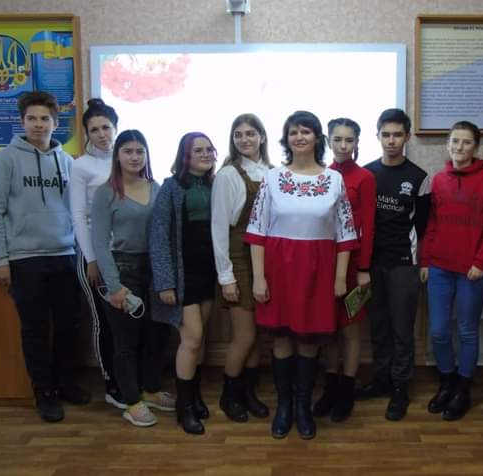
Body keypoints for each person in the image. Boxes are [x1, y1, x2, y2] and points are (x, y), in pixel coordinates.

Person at [246, 110, 357, 440]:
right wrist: (258, 277)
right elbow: (257, 231)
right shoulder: (272, 178)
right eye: (293, 132)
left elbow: (346, 233)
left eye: (306, 131)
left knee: (309, 341)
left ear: (317, 138)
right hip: (278, 271)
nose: (299, 137)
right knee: (282, 340)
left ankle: (303, 408)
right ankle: (284, 408)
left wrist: (340, 278)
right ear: (286, 139)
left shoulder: (334, 179)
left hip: (319, 272)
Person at [0, 90, 89, 423]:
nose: (38, 125)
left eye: (44, 119)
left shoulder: (67, 162)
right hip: (25, 260)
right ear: (22, 121)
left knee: (70, 326)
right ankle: (44, 392)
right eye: (32, 119)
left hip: (65, 255)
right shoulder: (5, 159)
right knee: (36, 330)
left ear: (55, 123)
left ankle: (65, 382)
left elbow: (78, 212)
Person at [419, 121, 483, 421]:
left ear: (476, 147)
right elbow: (432, 224)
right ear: (447, 144)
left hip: (472, 271)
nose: (460, 147)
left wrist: (481, 262)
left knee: (467, 330)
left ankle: (463, 390)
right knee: (439, 331)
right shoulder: (439, 179)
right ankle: (447, 382)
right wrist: (425, 260)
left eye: (466, 142)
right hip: (439, 267)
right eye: (455, 141)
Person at [91, 129, 174, 427]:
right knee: (126, 341)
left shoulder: (156, 187)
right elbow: (100, 243)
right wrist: (114, 286)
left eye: (140, 151)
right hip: (121, 269)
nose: (135, 157)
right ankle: (131, 401)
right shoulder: (105, 192)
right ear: (117, 156)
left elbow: (164, 233)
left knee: (156, 335)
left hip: (154, 269)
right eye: (128, 151)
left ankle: (150, 390)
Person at [357, 108, 430, 421]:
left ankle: (400, 387)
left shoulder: (419, 178)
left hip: (403, 263)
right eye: (385, 134)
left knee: (402, 328)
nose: (391, 140)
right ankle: (381, 379)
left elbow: (424, 227)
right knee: (378, 326)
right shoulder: (367, 174)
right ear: (377, 136)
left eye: (397, 135)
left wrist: (422, 262)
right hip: (371, 264)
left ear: (407, 137)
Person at [150, 132, 218, 435]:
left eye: (209, 149)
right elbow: (158, 237)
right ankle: (184, 406)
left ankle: (195, 395)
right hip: (182, 276)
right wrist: (165, 283)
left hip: (208, 273)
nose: (205, 154)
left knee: (200, 341)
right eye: (197, 150)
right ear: (185, 156)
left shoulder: (216, 185)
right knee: (191, 339)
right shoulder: (171, 187)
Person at [312, 118, 376, 422]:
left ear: (357, 143)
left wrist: (364, 267)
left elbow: (369, 226)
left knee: (351, 330)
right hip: (325, 264)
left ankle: (347, 390)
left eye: (349, 140)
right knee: (328, 329)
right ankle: (330, 386)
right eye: (337, 139)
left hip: (353, 266)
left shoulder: (365, 177)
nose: (343, 145)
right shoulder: (321, 175)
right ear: (328, 141)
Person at [211, 115, 271, 423]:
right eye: (238, 135)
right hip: (238, 258)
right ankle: (229, 395)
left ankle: (248, 393)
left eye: (250, 133)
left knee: (258, 335)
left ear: (262, 136)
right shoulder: (228, 175)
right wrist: (226, 277)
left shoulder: (273, 173)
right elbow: (219, 228)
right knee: (244, 336)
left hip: (266, 260)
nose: (244, 139)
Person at [69, 98, 123, 408]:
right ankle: (111, 382)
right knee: (104, 320)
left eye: (106, 127)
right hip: (94, 256)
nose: (102, 134)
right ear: (87, 133)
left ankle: (130, 378)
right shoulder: (81, 166)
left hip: (125, 253)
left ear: (115, 128)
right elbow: (78, 215)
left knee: (127, 319)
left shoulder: (127, 157)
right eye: (95, 130)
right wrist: (91, 259)